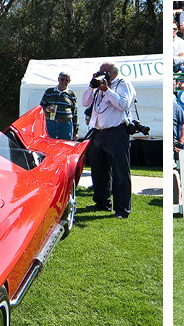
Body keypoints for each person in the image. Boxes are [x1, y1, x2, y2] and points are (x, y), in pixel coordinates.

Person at [81, 61, 136, 219]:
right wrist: (91, 86)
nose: (101, 74)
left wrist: (107, 90)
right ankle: (102, 202)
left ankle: (122, 209)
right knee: (98, 170)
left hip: (117, 132)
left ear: (113, 73)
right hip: (98, 132)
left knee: (120, 171)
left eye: (104, 72)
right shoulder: (98, 86)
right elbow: (85, 102)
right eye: (99, 71)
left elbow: (123, 104)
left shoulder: (122, 84)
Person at [40, 72, 78, 141]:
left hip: (66, 125)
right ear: (58, 79)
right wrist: (47, 109)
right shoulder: (49, 92)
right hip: (51, 124)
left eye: (66, 80)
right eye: (62, 79)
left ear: (69, 81)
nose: (64, 82)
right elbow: (40, 107)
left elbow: (75, 113)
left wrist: (76, 131)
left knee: (65, 146)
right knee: (50, 145)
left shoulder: (71, 94)